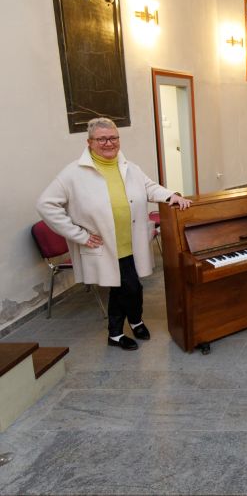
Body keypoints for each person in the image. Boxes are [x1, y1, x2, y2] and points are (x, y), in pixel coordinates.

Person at [37, 117, 192, 351]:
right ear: (89, 142)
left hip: (131, 241)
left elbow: (149, 187)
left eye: (113, 138)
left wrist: (171, 196)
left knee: (129, 286)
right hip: (105, 245)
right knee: (126, 287)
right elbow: (46, 205)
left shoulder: (128, 165)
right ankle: (119, 332)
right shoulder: (73, 173)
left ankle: (132, 324)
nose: (109, 143)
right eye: (102, 139)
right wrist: (79, 235)